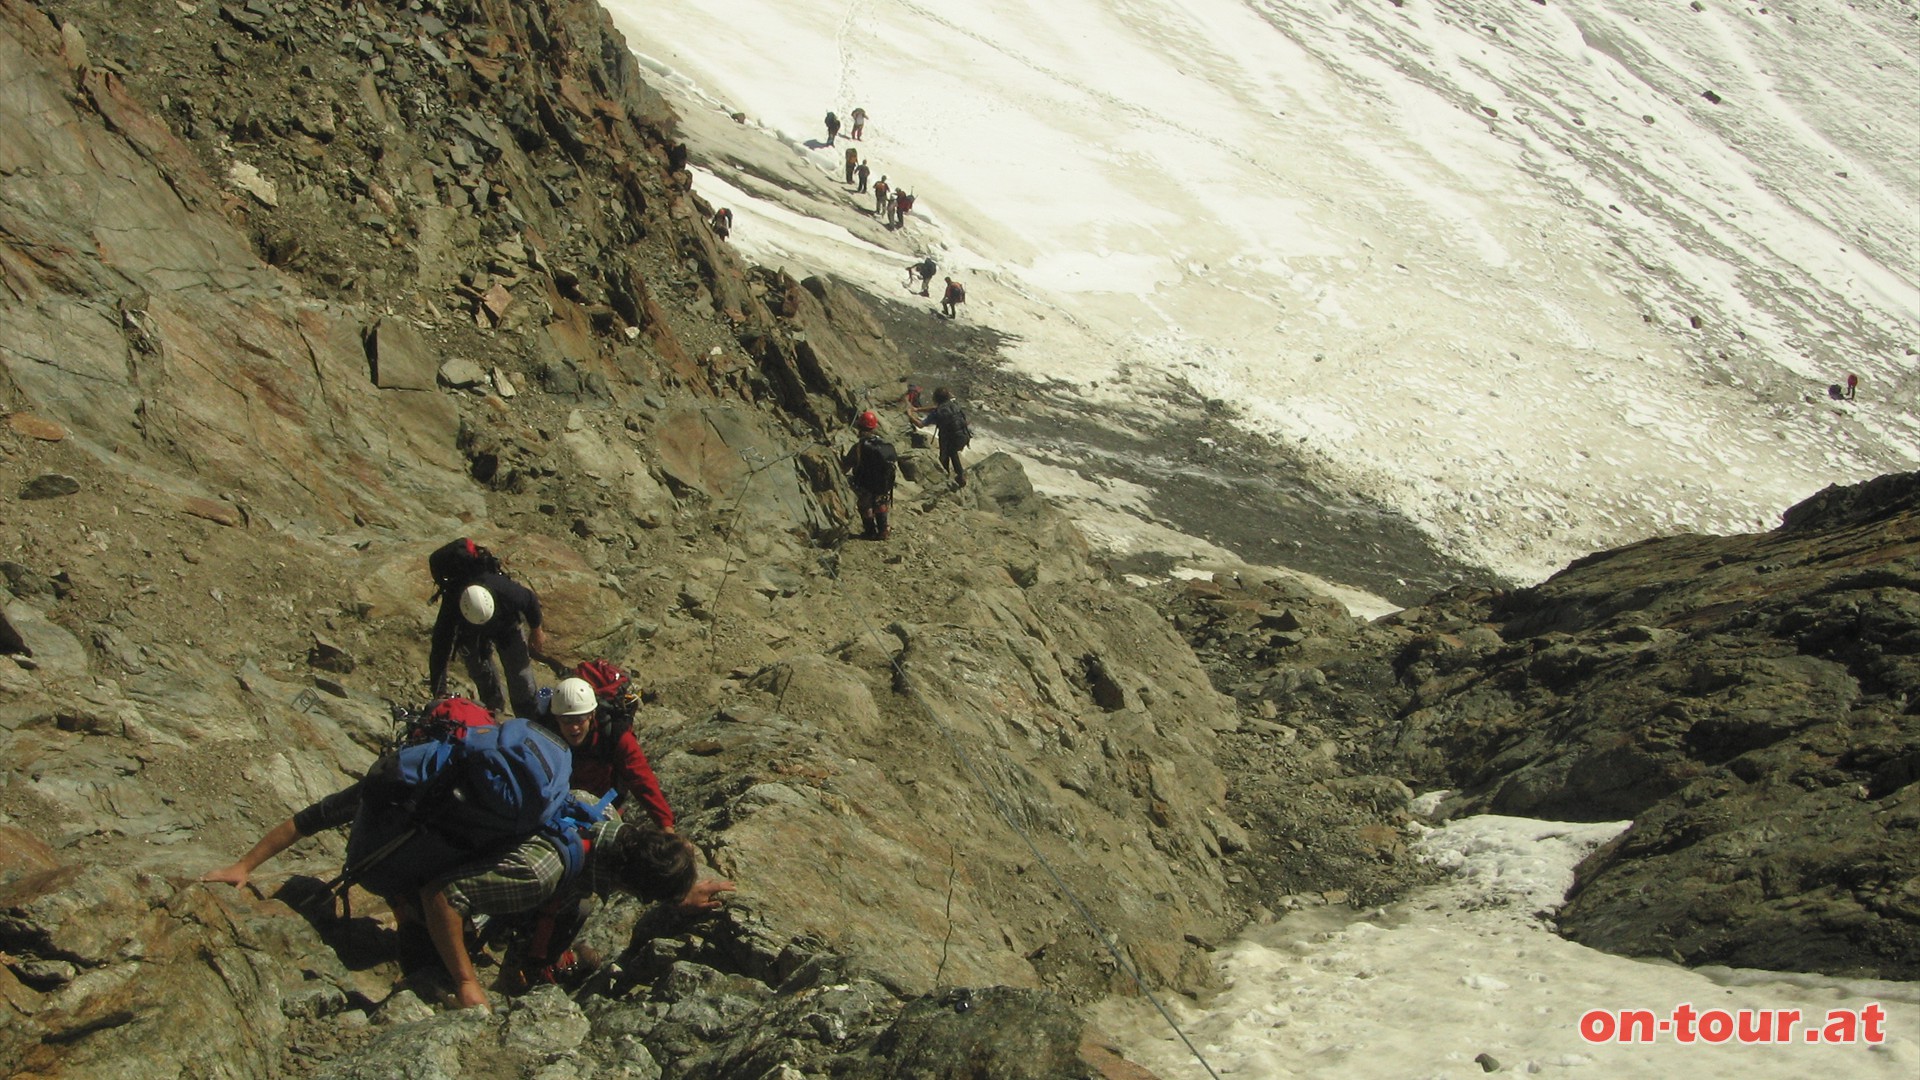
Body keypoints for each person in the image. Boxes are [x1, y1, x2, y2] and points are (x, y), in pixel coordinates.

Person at [203, 791, 732, 1010]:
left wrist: (245, 866)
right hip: (412, 880)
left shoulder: (599, 813)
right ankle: (428, 946)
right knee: (432, 976)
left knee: (577, 904)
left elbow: (320, 812)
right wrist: (466, 982)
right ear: (630, 882)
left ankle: (531, 960)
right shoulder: (540, 869)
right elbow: (441, 896)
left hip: (441, 854)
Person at [537, 676, 674, 832]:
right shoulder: (546, 736)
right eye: (567, 721)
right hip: (560, 806)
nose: (574, 728)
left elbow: (642, 779)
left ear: (591, 715)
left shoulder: (614, 735)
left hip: (604, 806)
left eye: (579, 719)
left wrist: (665, 824)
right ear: (556, 719)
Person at [429, 567, 548, 722]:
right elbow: (440, 649)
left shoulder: (505, 590)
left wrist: (537, 631)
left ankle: (529, 717)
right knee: (482, 673)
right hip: (470, 634)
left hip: (506, 624)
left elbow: (530, 601)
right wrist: (440, 691)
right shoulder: (452, 606)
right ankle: (492, 714)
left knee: (520, 672)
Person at [842, 411, 897, 540]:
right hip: (883, 484)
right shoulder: (882, 444)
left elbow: (846, 466)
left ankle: (870, 531)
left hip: (865, 483)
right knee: (881, 503)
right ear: (874, 427)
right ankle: (883, 530)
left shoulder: (859, 447)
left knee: (865, 506)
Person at [909, 387, 970, 489]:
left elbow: (920, 424)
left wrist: (910, 415)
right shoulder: (954, 405)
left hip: (949, 439)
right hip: (963, 436)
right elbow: (935, 408)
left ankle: (945, 478)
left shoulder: (938, 413)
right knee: (953, 453)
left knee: (944, 457)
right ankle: (960, 476)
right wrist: (918, 409)